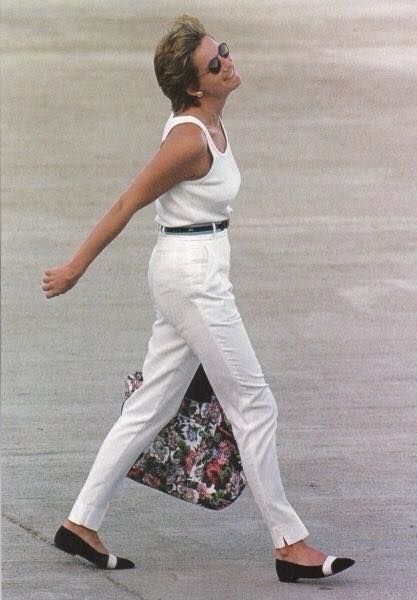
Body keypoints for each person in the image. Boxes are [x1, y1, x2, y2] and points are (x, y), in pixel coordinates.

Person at [42, 15, 354, 582]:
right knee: (253, 404)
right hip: (193, 279)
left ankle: (81, 522)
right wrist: (74, 268)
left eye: (224, 52)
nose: (227, 63)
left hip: (195, 269)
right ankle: (290, 545)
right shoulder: (189, 139)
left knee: (152, 406)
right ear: (193, 85)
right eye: (215, 64)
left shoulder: (211, 125)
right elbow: (125, 203)